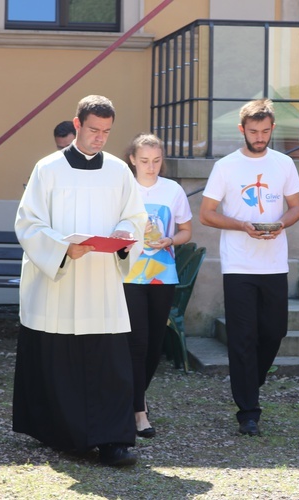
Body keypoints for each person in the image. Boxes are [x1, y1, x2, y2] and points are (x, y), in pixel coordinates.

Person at [13, 95, 147, 466]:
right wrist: (61, 248)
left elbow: (136, 217)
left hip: (102, 285)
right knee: (62, 365)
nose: (99, 138)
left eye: (106, 132)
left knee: (109, 366)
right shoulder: (48, 169)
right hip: (61, 283)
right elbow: (28, 223)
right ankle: (66, 436)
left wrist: (123, 235)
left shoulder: (120, 171)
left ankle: (114, 440)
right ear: (77, 125)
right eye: (93, 130)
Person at [199, 99, 299, 437]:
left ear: (272, 130)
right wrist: (242, 226)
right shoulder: (226, 167)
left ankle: (249, 381)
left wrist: (281, 225)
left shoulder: (284, 163)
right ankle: (248, 412)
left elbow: (295, 207)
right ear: (242, 130)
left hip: (274, 262)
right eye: (254, 131)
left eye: (266, 131)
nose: (260, 137)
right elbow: (207, 213)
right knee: (243, 338)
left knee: (275, 332)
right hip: (239, 264)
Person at [123, 133, 193, 439]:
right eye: (144, 161)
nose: (151, 167)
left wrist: (170, 239)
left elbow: (186, 231)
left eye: (156, 161)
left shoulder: (173, 190)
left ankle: (136, 396)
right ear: (132, 160)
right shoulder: (123, 189)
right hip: (130, 275)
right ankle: (139, 411)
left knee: (154, 344)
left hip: (163, 275)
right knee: (136, 342)